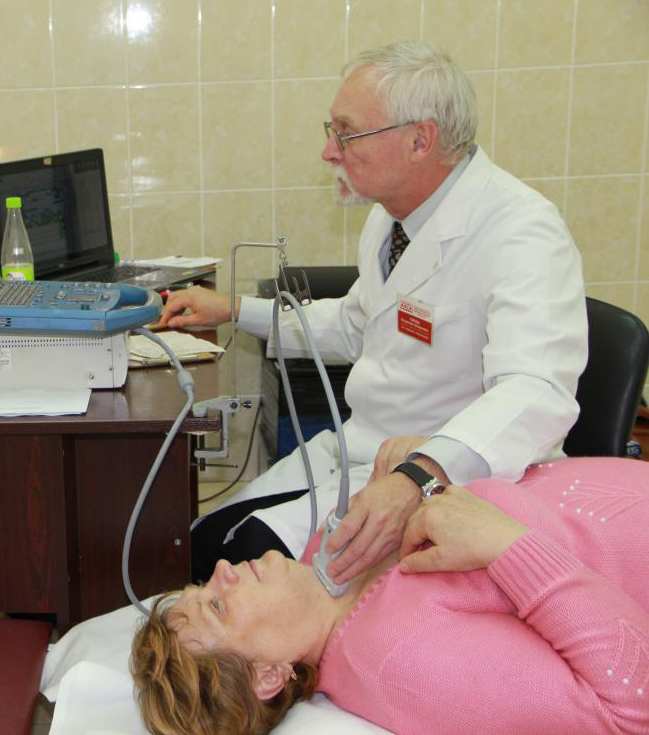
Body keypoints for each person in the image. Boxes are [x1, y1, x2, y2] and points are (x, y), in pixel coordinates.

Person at [164, 41, 587, 587]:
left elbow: (537, 389)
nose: (329, 151)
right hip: (363, 450)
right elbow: (358, 324)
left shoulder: (521, 232)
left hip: (447, 479)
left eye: (347, 133)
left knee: (243, 568)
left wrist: (419, 475)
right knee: (197, 543)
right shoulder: (392, 219)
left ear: (420, 140)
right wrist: (234, 309)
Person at [131, 456, 649, 735]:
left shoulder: (331, 558)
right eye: (217, 605)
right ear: (267, 675)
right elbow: (631, 709)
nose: (221, 570)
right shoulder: (402, 661)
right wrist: (508, 547)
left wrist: (425, 472)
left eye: (201, 585)